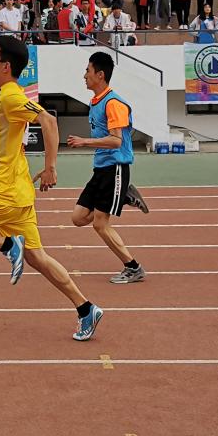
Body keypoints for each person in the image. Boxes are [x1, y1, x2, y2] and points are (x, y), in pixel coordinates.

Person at [0, 37, 103, 341]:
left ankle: (7, 246)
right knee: (38, 258)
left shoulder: (11, 96)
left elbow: (48, 121)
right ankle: (85, 308)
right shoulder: (5, 97)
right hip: (19, 193)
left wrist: (51, 167)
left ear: (6, 66)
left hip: (4, 194)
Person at [67, 52, 150, 283]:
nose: (84, 75)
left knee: (100, 224)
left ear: (100, 75)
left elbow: (117, 141)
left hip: (116, 168)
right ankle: (123, 197)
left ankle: (133, 268)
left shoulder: (113, 104)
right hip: (101, 168)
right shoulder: (95, 102)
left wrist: (85, 141)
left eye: (88, 70)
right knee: (78, 217)